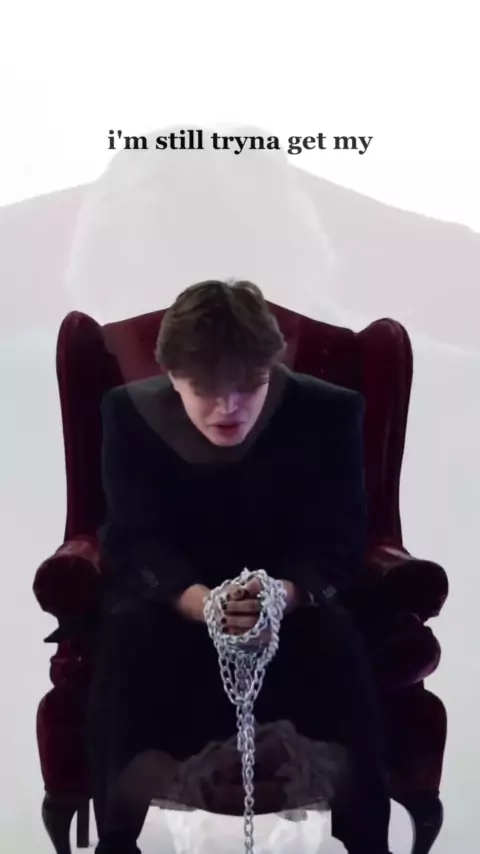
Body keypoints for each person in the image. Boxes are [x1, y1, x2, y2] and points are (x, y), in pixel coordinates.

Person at [87, 278, 392, 854]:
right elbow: (133, 539)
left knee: (339, 644)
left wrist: (280, 596)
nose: (229, 407)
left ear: (271, 369)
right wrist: (204, 603)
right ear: (172, 373)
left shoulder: (329, 411)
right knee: (127, 640)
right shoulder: (128, 413)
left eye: (249, 386)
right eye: (206, 388)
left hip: (293, 612)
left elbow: (338, 536)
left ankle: (367, 837)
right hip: (172, 610)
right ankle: (117, 838)